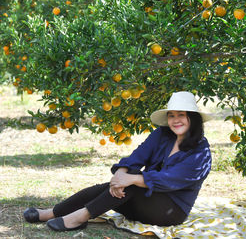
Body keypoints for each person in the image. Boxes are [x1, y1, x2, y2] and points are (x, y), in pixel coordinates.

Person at [23, 91, 212, 232]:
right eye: (172, 115)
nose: (175, 120)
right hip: (141, 201)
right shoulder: (162, 134)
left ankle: (78, 218)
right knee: (108, 187)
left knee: (134, 183)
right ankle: (52, 212)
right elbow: (138, 155)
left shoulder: (201, 153)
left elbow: (169, 179)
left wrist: (131, 179)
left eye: (181, 115)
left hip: (170, 211)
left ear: (192, 118)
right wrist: (121, 174)